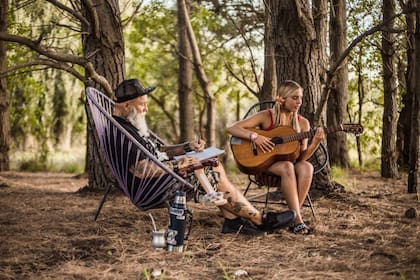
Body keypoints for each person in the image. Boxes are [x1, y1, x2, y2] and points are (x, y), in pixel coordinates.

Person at [112, 78, 296, 236]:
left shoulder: (130, 123)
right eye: (142, 104)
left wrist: (186, 148)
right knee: (210, 169)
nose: (146, 109)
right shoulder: (122, 134)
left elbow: (158, 150)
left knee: (212, 163)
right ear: (127, 105)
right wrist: (180, 165)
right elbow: (142, 170)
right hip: (152, 187)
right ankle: (261, 219)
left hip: (162, 177)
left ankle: (232, 220)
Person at [227, 80, 325, 235]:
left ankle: (292, 217)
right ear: (283, 98)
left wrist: (315, 144)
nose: (299, 102)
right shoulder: (267, 116)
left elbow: (301, 158)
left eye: (300, 98)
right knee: (287, 166)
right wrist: (254, 136)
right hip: (266, 163)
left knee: (307, 167)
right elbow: (232, 128)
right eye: (294, 98)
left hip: (291, 163)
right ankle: (297, 220)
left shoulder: (303, 124)